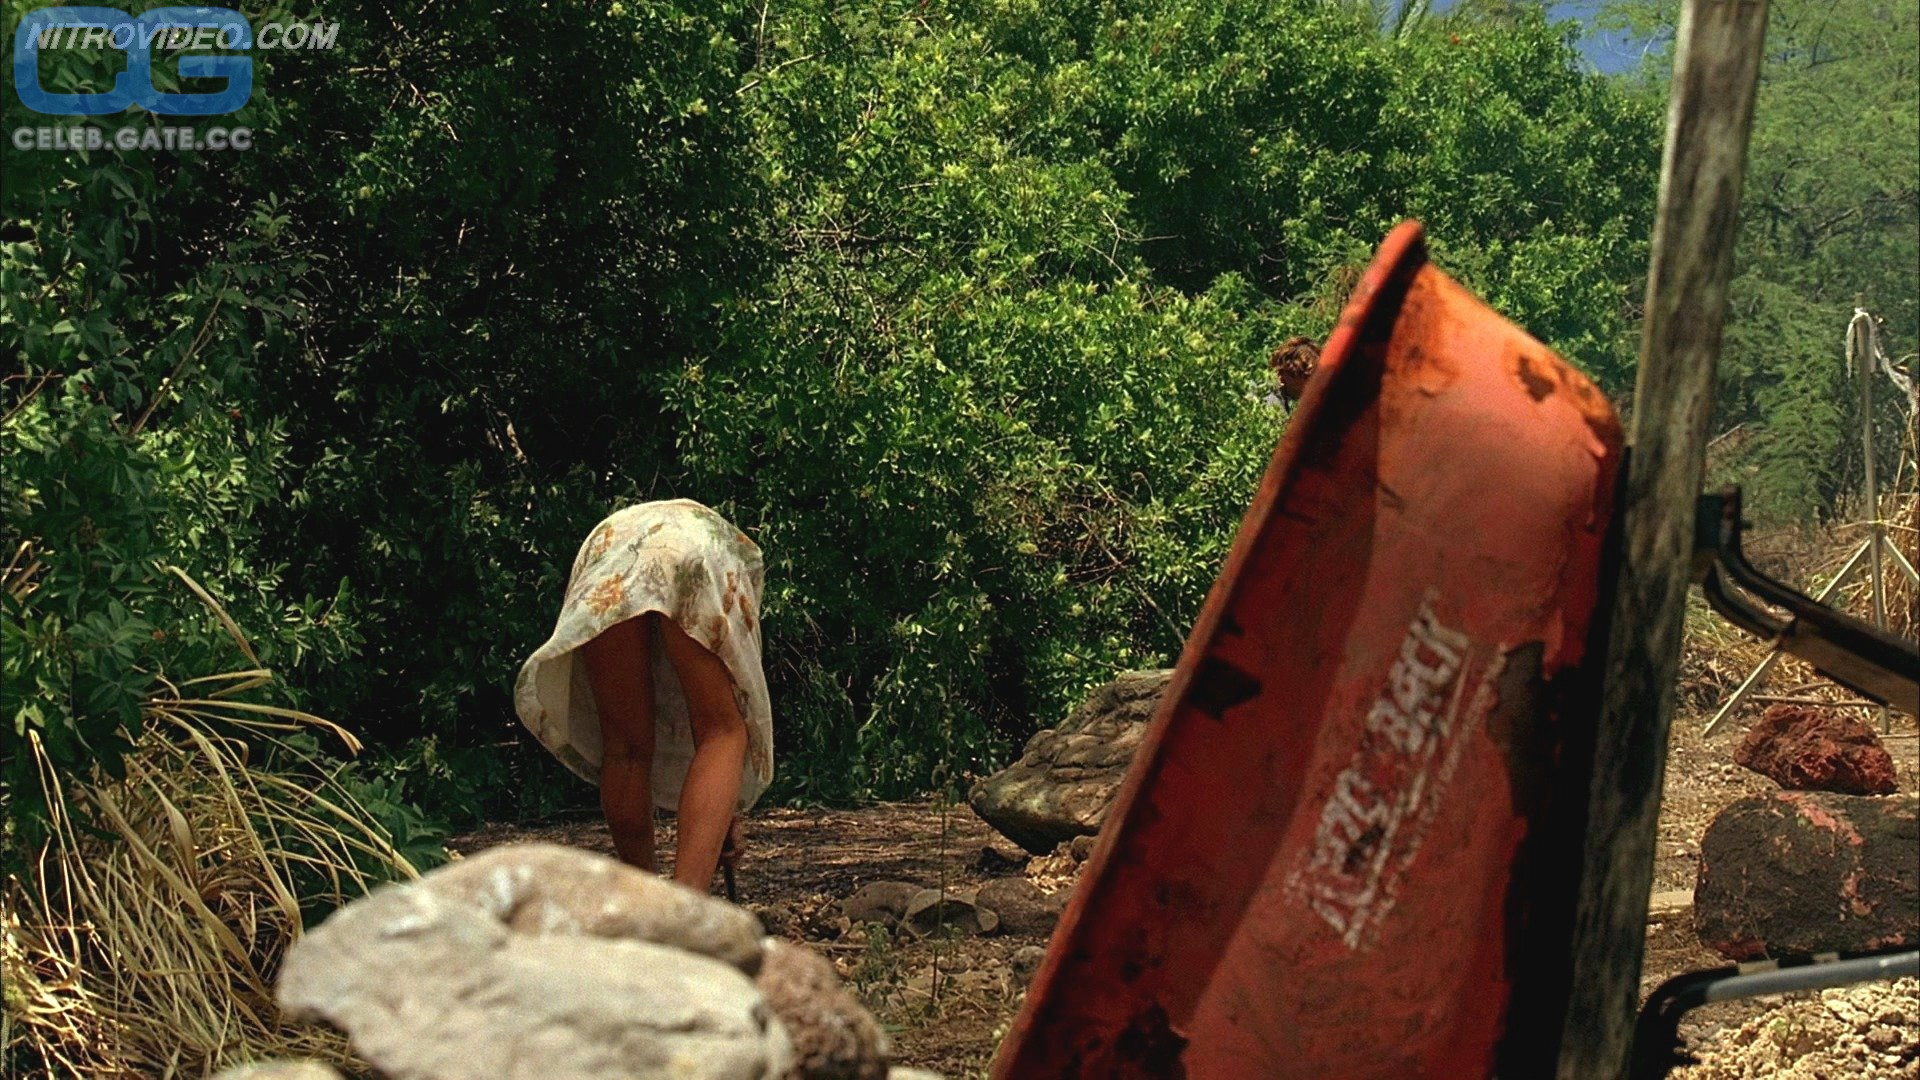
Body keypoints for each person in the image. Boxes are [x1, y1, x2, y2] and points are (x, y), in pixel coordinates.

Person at [515, 499, 774, 891]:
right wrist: (723, 812)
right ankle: (684, 912)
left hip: (612, 550)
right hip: (692, 550)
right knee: (723, 730)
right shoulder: (739, 557)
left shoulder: (633, 526)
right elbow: (718, 722)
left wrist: (723, 816)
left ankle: (644, 905)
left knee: (624, 749)